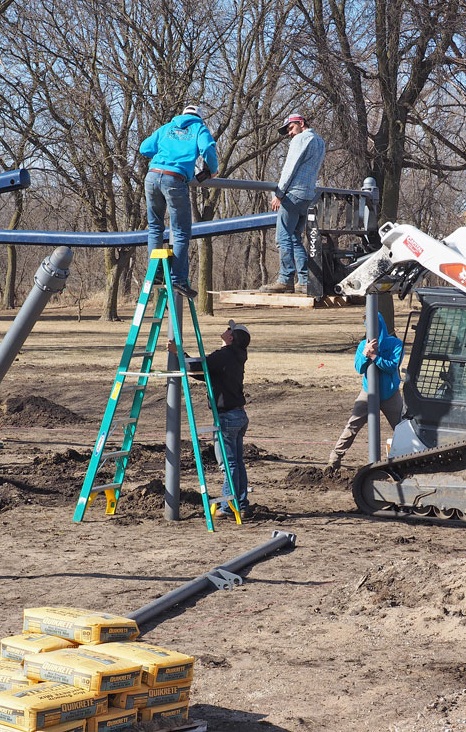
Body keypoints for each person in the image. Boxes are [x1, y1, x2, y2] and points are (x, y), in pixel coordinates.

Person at [170, 319, 251, 518]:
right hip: (239, 415)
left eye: (228, 329)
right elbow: (205, 373)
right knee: (237, 463)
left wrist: (178, 353)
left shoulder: (223, 355)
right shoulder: (237, 355)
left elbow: (196, 367)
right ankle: (241, 503)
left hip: (227, 417)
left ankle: (228, 507)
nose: (224, 330)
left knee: (229, 464)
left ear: (231, 337)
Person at [140, 105, 218, 299]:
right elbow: (207, 147)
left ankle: (156, 272)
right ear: (199, 117)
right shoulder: (199, 128)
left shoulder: (167, 127)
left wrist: (167, 153)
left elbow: (145, 148)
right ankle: (177, 278)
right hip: (174, 178)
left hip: (152, 176)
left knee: (155, 228)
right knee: (181, 230)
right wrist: (213, 169)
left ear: (182, 114)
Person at [325, 313, 404, 473]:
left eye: (373, 325)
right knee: (352, 426)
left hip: (390, 393)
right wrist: (365, 354)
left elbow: (392, 367)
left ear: (380, 324)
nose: (370, 329)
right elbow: (359, 368)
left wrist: (375, 356)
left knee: (403, 428)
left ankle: (410, 462)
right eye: (367, 325)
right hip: (368, 393)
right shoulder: (363, 345)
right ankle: (333, 460)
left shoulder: (395, 344)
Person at [261, 114, 326, 295]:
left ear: (301, 123)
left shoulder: (300, 139)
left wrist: (279, 194)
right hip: (308, 196)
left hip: (294, 194)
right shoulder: (320, 142)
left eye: (290, 128)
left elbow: (289, 167)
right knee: (295, 238)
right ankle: (304, 280)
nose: (290, 133)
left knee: (282, 237)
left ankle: (285, 279)